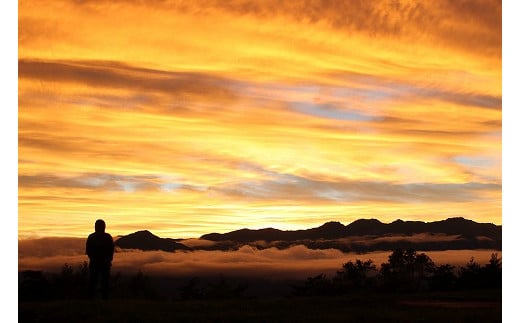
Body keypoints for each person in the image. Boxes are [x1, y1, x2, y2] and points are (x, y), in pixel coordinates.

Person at [86, 219, 114, 299]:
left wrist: (93, 258)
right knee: (103, 282)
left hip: (96, 263)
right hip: (103, 263)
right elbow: (111, 250)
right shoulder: (107, 237)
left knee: (94, 282)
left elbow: (88, 250)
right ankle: (104, 298)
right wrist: (108, 260)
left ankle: (91, 299)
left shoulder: (91, 237)